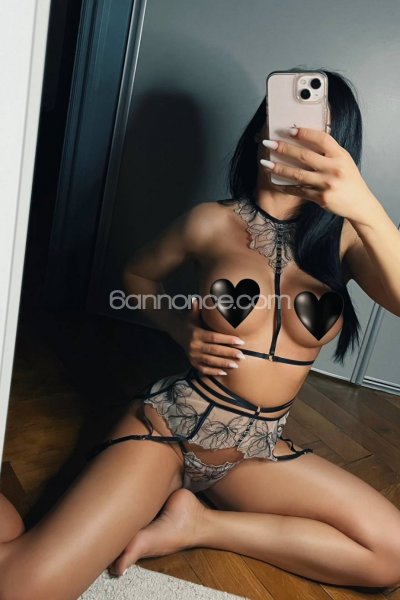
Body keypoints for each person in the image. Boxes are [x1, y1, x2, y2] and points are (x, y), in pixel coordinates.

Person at [1, 69, 400, 599]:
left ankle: (198, 524)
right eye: (283, 118)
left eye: (317, 130)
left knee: (390, 555)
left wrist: (365, 206)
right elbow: (136, 277)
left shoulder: (346, 240)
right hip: (171, 430)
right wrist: (178, 326)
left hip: (255, 450)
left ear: (340, 149)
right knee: (21, 586)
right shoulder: (210, 222)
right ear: (259, 129)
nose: (296, 136)